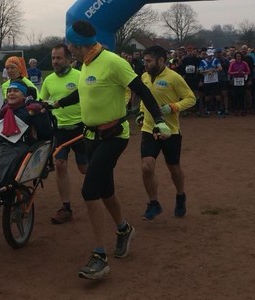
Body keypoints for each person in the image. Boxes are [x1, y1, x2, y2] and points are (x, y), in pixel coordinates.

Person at [55, 20, 170, 280]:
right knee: (105, 190)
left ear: (78, 45)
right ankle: (123, 228)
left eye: (71, 46)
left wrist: (159, 121)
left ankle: (99, 255)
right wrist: (57, 103)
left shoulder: (113, 62)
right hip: (91, 136)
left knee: (89, 190)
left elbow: (142, 91)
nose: (69, 50)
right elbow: (84, 94)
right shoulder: (85, 64)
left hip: (114, 137)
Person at [139, 46, 196, 221]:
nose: (145, 64)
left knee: (173, 167)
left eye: (149, 61)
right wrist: (142, 113)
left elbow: (191, 98)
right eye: (145, 61)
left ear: (162, 60)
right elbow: (144, 98)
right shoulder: (144, 77)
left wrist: (173, 107)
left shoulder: (174, 78)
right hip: (149, 128)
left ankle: (180, 195)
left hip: (170, 131)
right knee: (146, 167)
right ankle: (153, 203)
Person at [39, 44, 87, 225]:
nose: (55, 62)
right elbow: (42, 101)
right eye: (53, 58)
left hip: (81, 129)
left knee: (85, 168)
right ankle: (66, 208)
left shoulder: (80, 76)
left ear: (69, 59)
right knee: (59, 164)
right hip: (59, 131)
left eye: (59, 58)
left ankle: (100, 193)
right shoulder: (49, 80)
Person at [228, 52, 251, 116]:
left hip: (242, 80)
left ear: (241, 57)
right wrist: (236, 72)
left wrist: (243, 72)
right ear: (235, 57)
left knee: (242, 95)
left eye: (239, 56)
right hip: (235, 80)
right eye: (237, 56)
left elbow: (248, 71)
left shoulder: (244, 63)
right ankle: (236, 109)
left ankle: (242, 109)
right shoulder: (232, 63)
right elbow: (229, 72)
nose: (238, 57)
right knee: (235, 95)